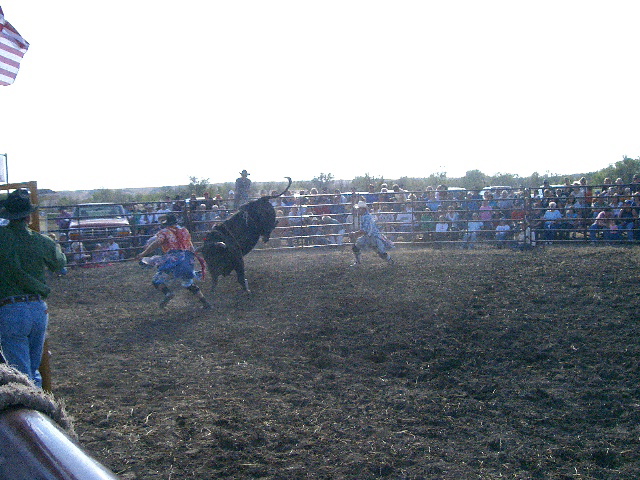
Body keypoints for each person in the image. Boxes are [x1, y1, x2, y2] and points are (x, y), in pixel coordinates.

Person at [0, 189, 67, 387]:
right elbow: (59, 264)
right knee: (33, 369)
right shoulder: (41, 241)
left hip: (9, 308)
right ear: (29, 216)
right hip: (38, 307)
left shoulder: (2, 238)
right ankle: (41, 408)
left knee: (21, 373)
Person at [135, 214, 211, 309]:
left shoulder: (165, 232)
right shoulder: (184, 231)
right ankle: (205, 303)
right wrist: (192, 257)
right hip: (186, 259)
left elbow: (158, 242)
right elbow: (190, 246)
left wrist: (143, 253)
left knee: (156, 280)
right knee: (188, 282)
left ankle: (168, 293)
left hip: (173, 260)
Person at [350, 201, 394, 266]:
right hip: (369, 236)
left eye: (359, 209)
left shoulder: (366, 217)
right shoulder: (365, 216)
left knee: (381, 252)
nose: (358, 210)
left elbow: (364, 230)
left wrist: (354, 234)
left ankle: (390, 261)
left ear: (363, 209)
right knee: (356, 247)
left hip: (373, 237)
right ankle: (358, 262)